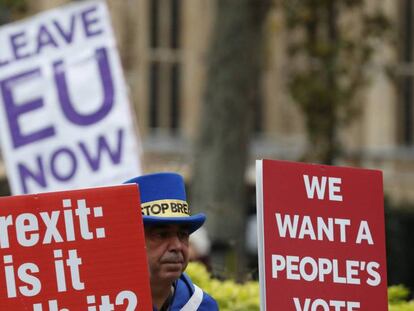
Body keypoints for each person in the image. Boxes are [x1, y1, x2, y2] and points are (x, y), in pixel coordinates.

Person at [125, 172, 219, 311]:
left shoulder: (202, 306)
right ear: (131, 242)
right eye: (162, 235)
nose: (177, 246)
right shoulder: (103, 303)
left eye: (183, 235)